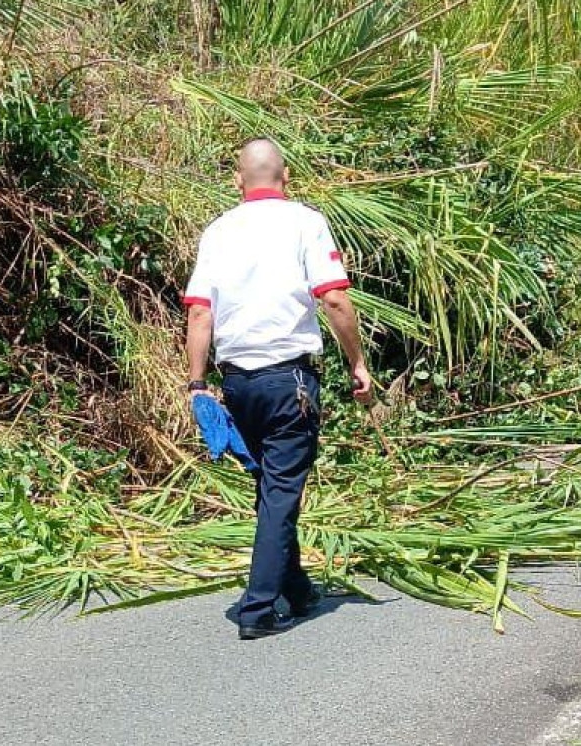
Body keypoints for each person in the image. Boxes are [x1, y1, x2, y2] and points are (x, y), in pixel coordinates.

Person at [184, 137, 372, 639]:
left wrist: (197, 384)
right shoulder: (305, 223)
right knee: (282, 492)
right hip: (290, 380)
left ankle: (299, 588)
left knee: (271, 489)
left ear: (237, 181)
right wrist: (358, 362)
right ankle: (258, 609)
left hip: (238, 384)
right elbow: (333, 300)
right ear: (285, 177)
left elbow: (200, 310)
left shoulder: (218, 231)